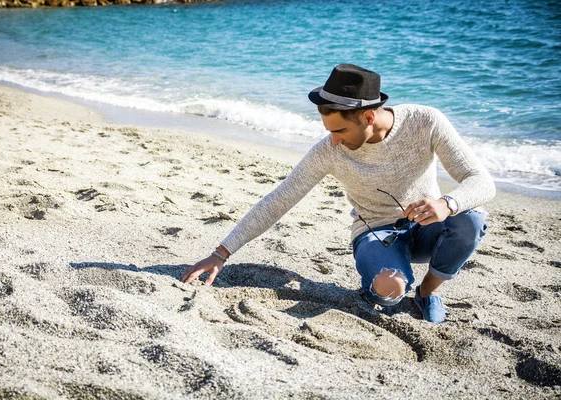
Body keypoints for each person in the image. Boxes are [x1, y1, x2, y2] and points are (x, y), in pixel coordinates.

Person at [181, 64, 495, 323]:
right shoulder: (329, 151)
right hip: (376, 231)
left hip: (427, 225)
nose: (333, 140)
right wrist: (221, 253)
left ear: (369, 117)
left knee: (472, 216)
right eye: (328, 131)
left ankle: (427, 292)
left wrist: (446, 203)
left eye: (339, 131)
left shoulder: (425, 121)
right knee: (390, 292)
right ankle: (384, 279)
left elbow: (482, 182)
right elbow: (279, 200)